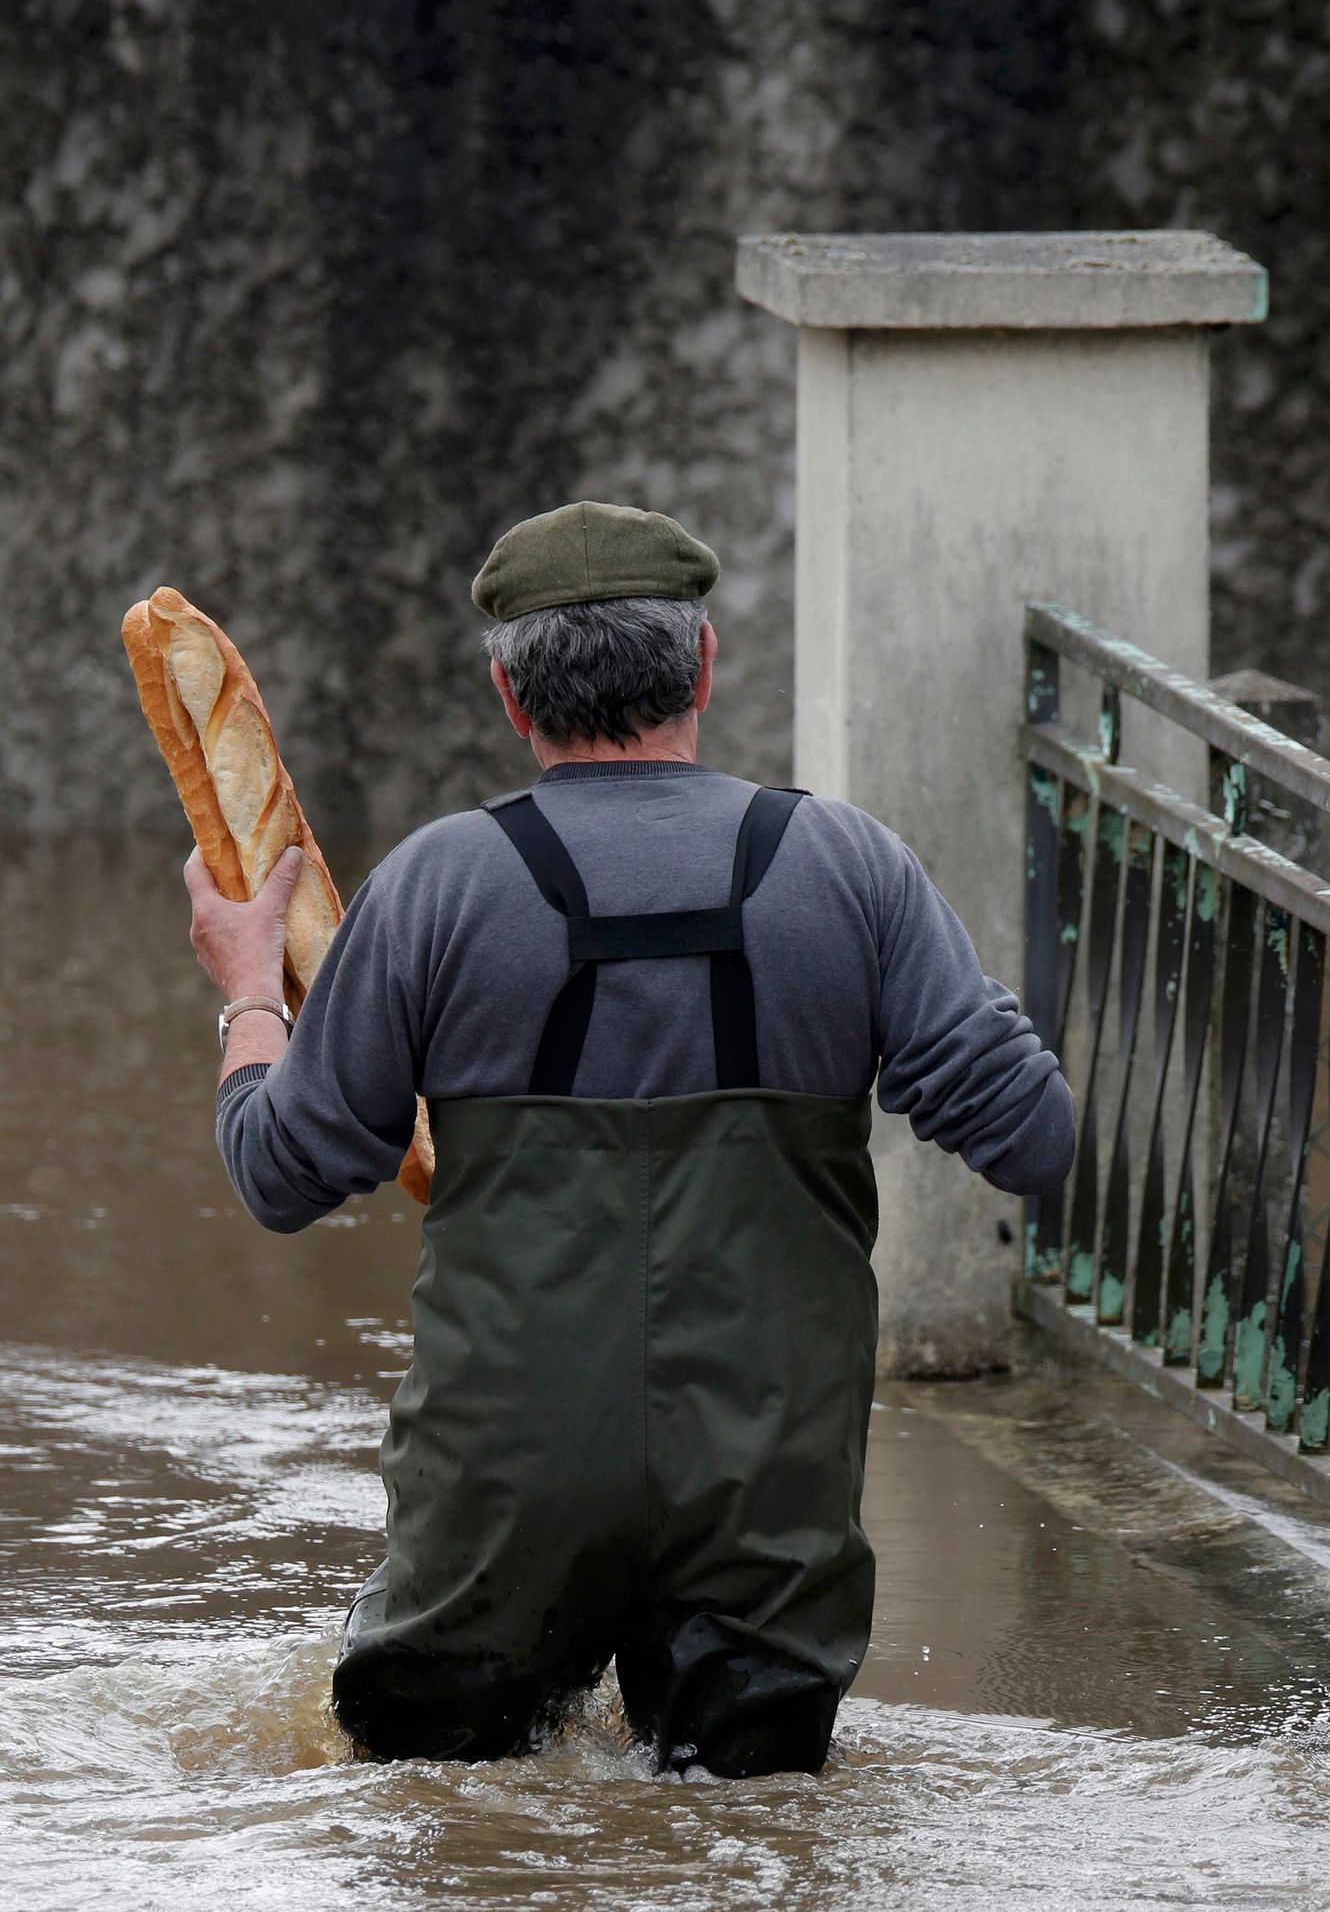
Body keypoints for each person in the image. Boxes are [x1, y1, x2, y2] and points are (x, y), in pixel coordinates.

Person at [184, 500, 1076, 1777]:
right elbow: (1034, 1141)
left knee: (448, 1815)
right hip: (768, 1491)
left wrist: (250, 990)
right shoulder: (853, 868)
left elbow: (281, 1174)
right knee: (743, 1831)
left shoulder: (436, 885)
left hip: (500, 1491)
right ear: (704, 664)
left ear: (509, 693)